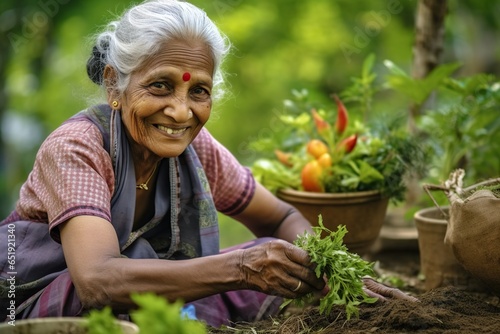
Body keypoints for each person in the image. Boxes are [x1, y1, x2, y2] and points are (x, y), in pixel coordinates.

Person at [0, 0, 414, 328]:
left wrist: (330, 270)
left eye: (199, 91)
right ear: (115, 84)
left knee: (276, 259)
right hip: (38, 305)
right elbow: (97, 282)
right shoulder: (77, 147)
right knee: (222, 267)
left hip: (140, 297)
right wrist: (241, 268)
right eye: (160, 85)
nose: (181, 113)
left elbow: (281, 217)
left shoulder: (195, 148)